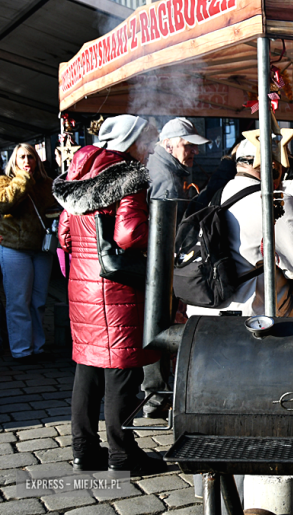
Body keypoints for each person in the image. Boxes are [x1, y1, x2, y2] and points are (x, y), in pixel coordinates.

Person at [53, 115, 167, 476]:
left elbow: (65, 236)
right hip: (116, 292)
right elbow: (129, 234)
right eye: (146, 139)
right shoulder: (129, 176)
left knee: (87, 369)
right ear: (130, 141)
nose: (150, 147)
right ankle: (122, 454)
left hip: (83, 284)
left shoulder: (76, 174)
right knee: (122, 371)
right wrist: (161, 234)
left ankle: (83, 451)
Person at [187, 135, 293, 318]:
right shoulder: (277, 201)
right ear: (273, 167)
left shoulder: (217, 194)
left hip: (204, 312)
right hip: (254, 320)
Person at [143, 117, 209, 418]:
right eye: (188, 146)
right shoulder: (167, 179)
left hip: (156, 265)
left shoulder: (166, 169)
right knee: (158, 326)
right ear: (169, 144)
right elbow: (170, 232)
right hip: (158, 267)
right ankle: (155, 398)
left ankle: (155, 396)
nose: (193, 152)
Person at [0, 144, 57, 362]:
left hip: (41, 247)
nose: (27, 161)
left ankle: (38, 346)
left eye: (31, 157)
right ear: (14, 161)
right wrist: (23, 178)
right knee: (18, 300)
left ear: (37, 160)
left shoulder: (47, 184)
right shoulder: (5, 182)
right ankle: (21, 350)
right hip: (14, 248)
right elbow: (5, 204)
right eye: (22, 157)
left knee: (39, 300)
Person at [147, 117, 210, 200]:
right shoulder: (169, 183)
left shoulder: (150, 157)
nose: (196, 151)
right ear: (168, 146)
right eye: (189, 145)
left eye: (196, 145)